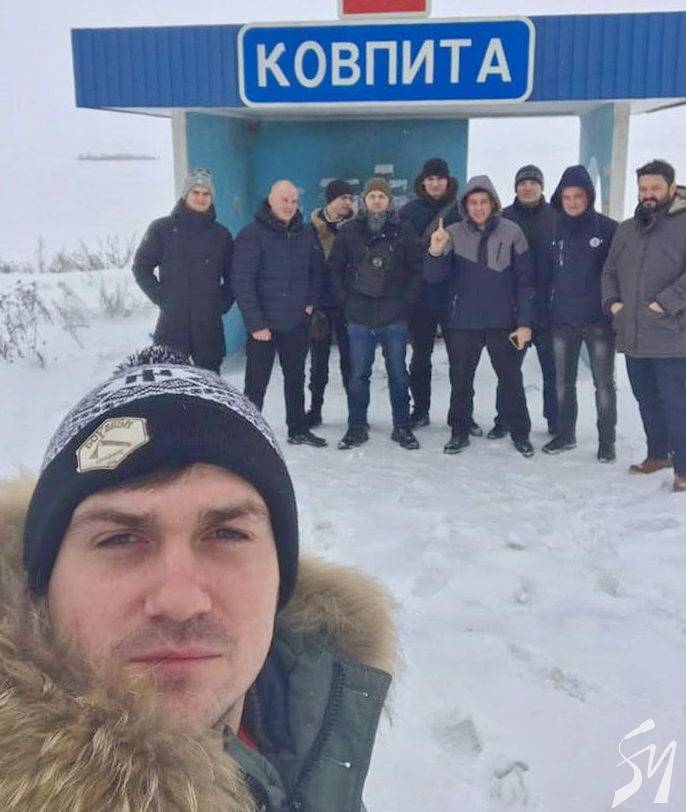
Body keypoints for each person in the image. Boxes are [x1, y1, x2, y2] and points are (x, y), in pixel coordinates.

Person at [0, 347, 395, 810]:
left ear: (281, 576)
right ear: (43, 582)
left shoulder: (309, 728)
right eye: (120, 538)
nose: (181, 601)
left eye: (227, 534)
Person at [425, 175, 535, 457]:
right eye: (472, 202)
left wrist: (524, 323)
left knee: (511, 380)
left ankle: (520, 433)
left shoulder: (512, 232)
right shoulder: (451, 233)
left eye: (483, 201)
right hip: (463, 322)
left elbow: (525, 281)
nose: (478, 207)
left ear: (493, 203)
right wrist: (435, 249)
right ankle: (459, 431)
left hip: (503, 321)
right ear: (465, 206)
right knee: (461, 381)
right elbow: (434, 277)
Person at [602, 159, 686, 491]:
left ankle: (684, 468)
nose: (648, 194)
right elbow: (609, 271)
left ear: (671, 187)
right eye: (643, 188)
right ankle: (658, 454)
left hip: (672, 334)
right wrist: (613, 304)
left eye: (655, 188)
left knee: (676, 403)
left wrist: (664, 303)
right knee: (646, 399)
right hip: (633, 333)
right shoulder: (627, 229)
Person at [330, 178, 422, 450]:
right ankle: (356, 426)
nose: (377, 200)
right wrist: (346, 301)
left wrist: (405, 302)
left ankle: (402, 426)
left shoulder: (404, 230)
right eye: (372, 196)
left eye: (382, 196)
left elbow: (417, 269)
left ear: (389, 200)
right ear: (365, 200)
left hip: (394, 315)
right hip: (359, 315)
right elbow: (335, 269)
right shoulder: (349, 231)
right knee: (358, 373)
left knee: (398, 373)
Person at [233, 180, 326, 447]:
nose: (289, 206)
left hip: (296, 321)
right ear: (271, 200)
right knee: (256, 383)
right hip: (263, 326)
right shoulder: (252, 235)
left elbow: (317, 270)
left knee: (295, 378)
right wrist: (255, 324)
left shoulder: (306, 233)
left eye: (294, 201)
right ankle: (247, 435)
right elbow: (242, 281)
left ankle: (298, 429)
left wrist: (310, 303)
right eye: (284, 200)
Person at [541, 165, 618, 462]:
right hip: (562, 321)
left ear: (589, 197)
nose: (572, 202)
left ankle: (607, 442)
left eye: (578, 196)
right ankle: (565, 434)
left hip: (598, 322)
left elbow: (616, 274)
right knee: (563, 383)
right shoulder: (552, 228)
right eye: (567, 197)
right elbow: (545, 274)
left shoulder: (608, 229)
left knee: (604, 384)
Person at [398, 158, 478, 432]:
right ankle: (420, 410)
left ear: (447, 180)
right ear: (423, 181)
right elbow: (403, 254)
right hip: (420, 298)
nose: (435, 183)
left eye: (439, 178)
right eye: (430, 178)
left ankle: (463, 415)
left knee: (460, 360)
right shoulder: (408, 212)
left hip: (453, 296)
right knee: (420, 358)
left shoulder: (461, 211)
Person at [132, 168, 234, 373]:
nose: (201, 198)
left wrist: (220, 304)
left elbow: (234, 277)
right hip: (172, 326)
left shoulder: (221, 235)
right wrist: (163, 298)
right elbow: (141, 267)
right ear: (185, 194)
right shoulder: (162, 229)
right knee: (169, 382)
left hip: (209, 328)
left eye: (206, 194)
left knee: (208, 385)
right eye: (195, 192)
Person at [496, 164, 558, 438]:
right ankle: (504, 419)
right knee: (508, 370)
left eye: (534, 182)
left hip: (548, 309)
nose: (528, 187)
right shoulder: (503, 218)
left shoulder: (556, 217)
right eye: (523, 183)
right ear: (516, 187)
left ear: (541, 187)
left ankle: (555, 421)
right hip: (513, 308)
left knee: (552, 371)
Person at [306, 179, 355, 428]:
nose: (347, 203)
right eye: (342, 198)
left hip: (348, 304)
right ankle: (315, 410)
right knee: (318, 364)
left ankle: (355, 413)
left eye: (350, 198)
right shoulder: (310, 229)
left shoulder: (356, 228)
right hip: (320, 306)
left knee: (351, 363)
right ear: (330, 200)